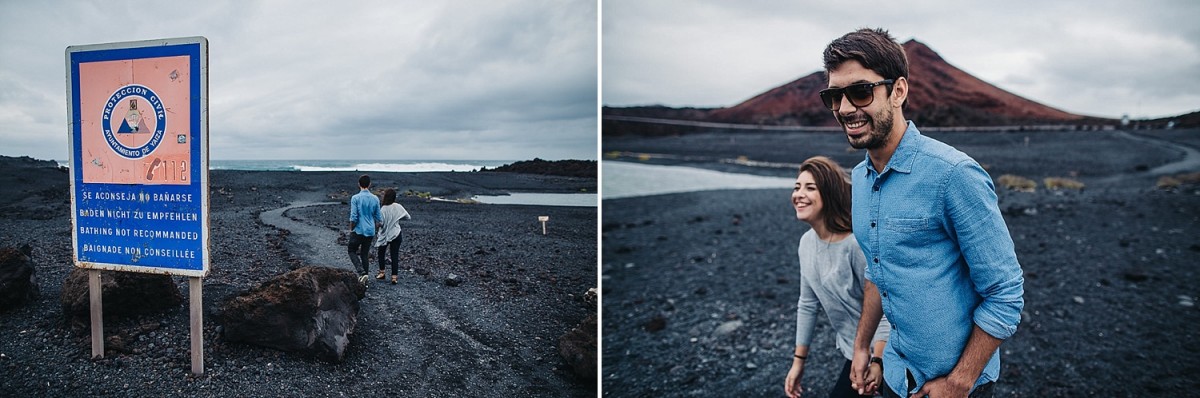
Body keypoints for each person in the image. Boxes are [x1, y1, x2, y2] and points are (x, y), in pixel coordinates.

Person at [818, 28, 1025, 398]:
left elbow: (1005, 293)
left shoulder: (953, 175)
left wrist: (960, 381)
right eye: (835, 96)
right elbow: (878, 270)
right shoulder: (861, 179)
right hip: (897, 373)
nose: (846, 108)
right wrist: (863, 348)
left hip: (958, 386)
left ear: (898, 91)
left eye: (861, 91)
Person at [784, 156, 890, 398]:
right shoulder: (806, 244)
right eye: (797, 187)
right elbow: (808, 304)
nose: (799, 194)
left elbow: (885, 303)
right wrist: (799, 362)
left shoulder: (855, 244)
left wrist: (878, 361)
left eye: (810, 188)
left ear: (829, 194)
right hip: (857, 354)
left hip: (890, 354)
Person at [348, 174, 381, 287]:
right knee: (364, 254)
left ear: (359, 184)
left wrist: (351, 228)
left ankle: (361, 272)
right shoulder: (375, 198)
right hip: (370, 230)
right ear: (369, 184)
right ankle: (365, 281)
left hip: (358, 230)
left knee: (351, 250)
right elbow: (379, 218)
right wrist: (375, 228)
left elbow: (354, 217)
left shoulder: (355, 198)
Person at [374, 188, 411, 285]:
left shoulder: (383, 209)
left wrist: (376, 225)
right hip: (396, 233)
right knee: (394, 255)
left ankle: (382, 273)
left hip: (385, 234)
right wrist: (397, 218)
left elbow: (380, 223)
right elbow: (408, 217)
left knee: (381, 253)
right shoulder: (398, 206)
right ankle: (394, 277)